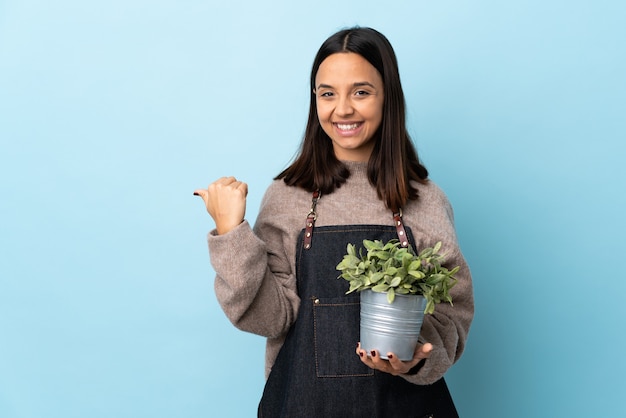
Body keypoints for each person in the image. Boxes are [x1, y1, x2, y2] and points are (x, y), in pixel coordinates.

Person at [194, 27, 474, 417]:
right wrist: (231, 233)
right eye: (328, 93)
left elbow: (452, 310)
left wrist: (414, 356)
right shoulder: (287, 195)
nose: (342, 109)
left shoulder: (424, 199)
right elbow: (269, 318)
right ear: (315, 101)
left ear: (388, 97)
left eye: (361, 91)